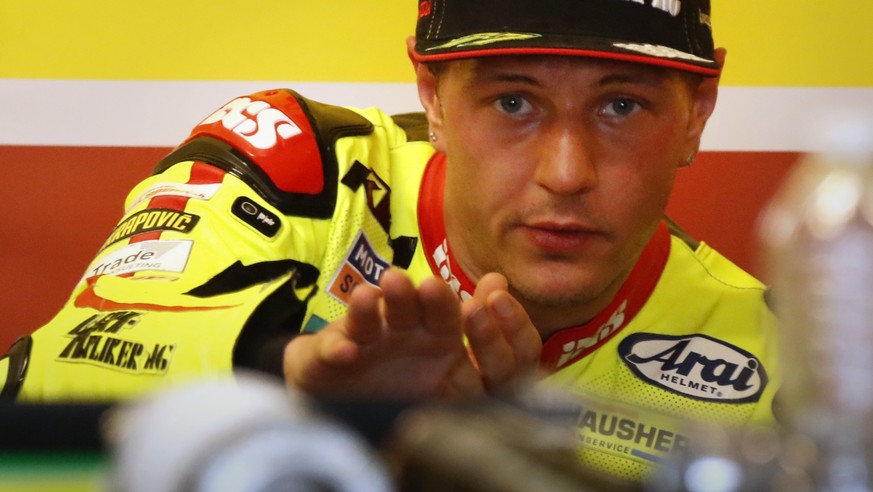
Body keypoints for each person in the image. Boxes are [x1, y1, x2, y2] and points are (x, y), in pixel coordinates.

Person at [0, 0, 779, 481]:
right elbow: (43, 382)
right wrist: (299, 383)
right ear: (432, 99)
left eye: (621, 108)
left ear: (697, 114)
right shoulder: (298, 166)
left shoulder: (778, 357)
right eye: (513, 101)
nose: (566, 173)